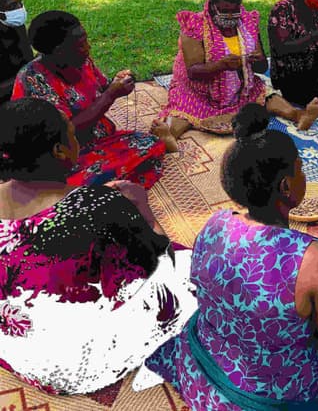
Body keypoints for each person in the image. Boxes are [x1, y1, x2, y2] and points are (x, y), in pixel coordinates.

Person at [145, 104, 318, 410]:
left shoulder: (216, 223)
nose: (304, 174)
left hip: (204, 369)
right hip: (264, 398)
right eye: (300, 168)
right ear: (285, 186)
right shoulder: (313, 259)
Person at [0, 98, 196, 395]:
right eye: (70, 131)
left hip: (15, 348)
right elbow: (160, 257)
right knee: (194, 273)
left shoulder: (91, 202)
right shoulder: (98, 204)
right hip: (72, 366)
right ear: (59, 150)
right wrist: (142, 207)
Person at [12, 10, 172, 188]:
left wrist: (118, 83)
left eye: (86, 41)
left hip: (95, 140)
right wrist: (110, 95)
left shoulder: (80, 61)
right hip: (58, 156)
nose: (88, 47)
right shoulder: (34, 80)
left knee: (150, 145)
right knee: (77, 184)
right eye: (81, 45)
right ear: (59, 51)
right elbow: (67, 130)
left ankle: (105, 188)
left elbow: (102, 87)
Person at [159, 0, 318, 142]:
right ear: (212, 6)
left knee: (266, 96)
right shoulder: (194, 26)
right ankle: (168, 135)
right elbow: (193, 72)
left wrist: (256, 61)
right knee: (182, 111)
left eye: (235, 11)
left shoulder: (247, 22)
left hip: (240, 89)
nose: (230, 17)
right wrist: (221, 65)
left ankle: (299, 115)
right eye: (224, 11)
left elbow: (261, 67)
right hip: (199, 91)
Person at [0, 0, 33, 104]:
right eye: (12, 6)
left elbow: (27, 60)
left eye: (20, 2)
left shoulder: (17, 26)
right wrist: (28, 74)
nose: (20, 9)